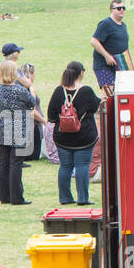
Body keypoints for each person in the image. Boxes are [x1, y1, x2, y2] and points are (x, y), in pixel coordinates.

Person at [46, 61, 101, 205]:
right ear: (81, 73)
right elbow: (95, 106)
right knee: (82, 166)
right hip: (84, 137)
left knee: (65, 167)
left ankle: (65, 198)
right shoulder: (87, 91)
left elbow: (51, 115)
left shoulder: (59, 91)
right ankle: (83, 198)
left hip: (62, 137)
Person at [0, 60, 44, 205]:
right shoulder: (18, 90)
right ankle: (16, 197)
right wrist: (31, 89)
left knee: (4, 163)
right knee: (16, 163)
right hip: (18, 129)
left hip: (2, 129)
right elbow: (32, 103)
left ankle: (4, 196)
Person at [90, 0, 132, 97]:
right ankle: (98, 109)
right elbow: (94, 41)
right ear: (111, 10)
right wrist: (107, 56)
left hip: (120, 65)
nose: (121, 10)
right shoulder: (106, 24)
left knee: (120, 92)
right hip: (104, 65)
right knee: (109, 92)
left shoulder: (123, 25)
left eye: (123, 8)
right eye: (118, 8)